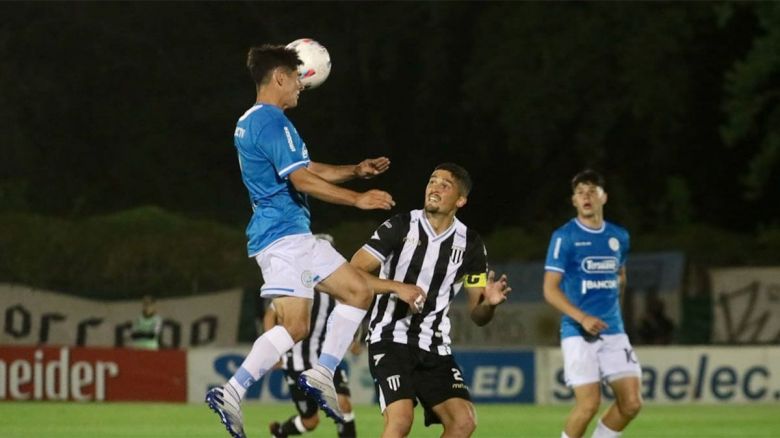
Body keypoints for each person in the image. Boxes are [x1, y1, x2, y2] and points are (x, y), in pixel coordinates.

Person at [205, 44, 419, 438]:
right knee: (355, 293)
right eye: (297, 81)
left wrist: (355, 171)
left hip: (277, 236)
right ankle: (318, 373)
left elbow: (305, 168)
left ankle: (235, 391)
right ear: (280, 78)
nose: (301, 88)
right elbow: (301, 179)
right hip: (286, 235)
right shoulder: (273, 122)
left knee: (306, 321)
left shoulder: (253, 120)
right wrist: (358, 199)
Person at [350, 163, 511, 438]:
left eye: (444, 185)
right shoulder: (399, 226)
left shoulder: (471, 245)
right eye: (432, 181)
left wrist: (489, 304)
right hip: (389, 338)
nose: (434, 187)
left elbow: (477, 313)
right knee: (400, 420)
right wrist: (395, 288)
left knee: (464, 422)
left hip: (434, 346)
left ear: (460, 200)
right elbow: (352, 273)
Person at [542, 169, 642, 438]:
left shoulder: (619, 236)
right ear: (574, 200)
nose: (586, 196)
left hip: (613, 331)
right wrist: (582, 317)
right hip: (578, 333)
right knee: (588, 405)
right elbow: (550, 290)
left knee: (631, 403)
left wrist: (612, 311)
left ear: (603, 197)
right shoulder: (565, 237)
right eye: (580, 192)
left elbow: (620, 275)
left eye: (592, 191)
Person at [265, 234, 358, 438]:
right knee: (310, 421)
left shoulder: (339, 285)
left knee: (343, 404)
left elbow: (351, 312)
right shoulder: (295, 282)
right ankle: (280, 432)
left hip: (326, 358)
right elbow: (271, 314)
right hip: (297, 362)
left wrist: (353, 339)